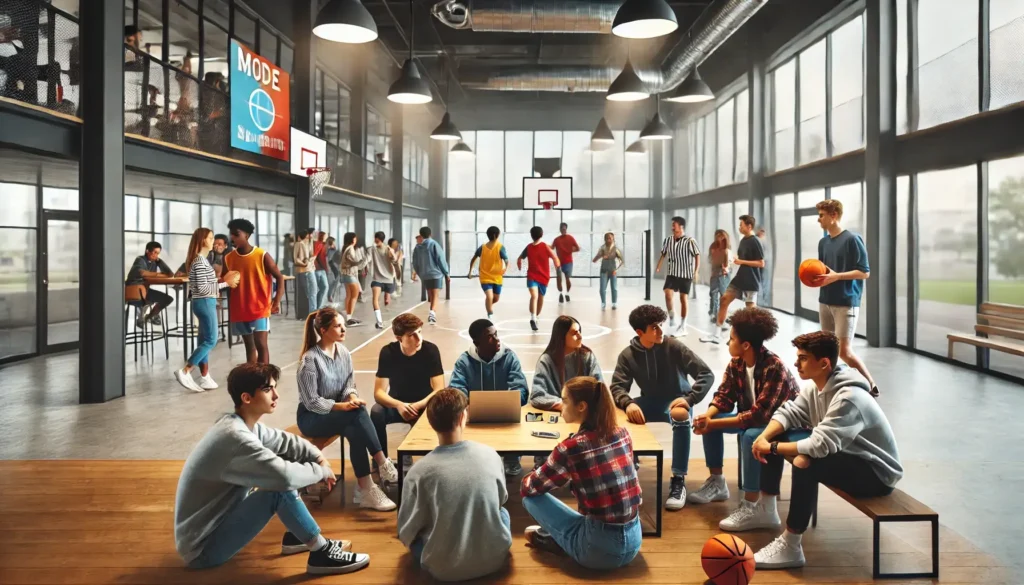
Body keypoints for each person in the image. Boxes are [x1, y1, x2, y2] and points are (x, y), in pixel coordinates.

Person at [174, 362, 370, 575]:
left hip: (213, 528)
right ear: (246, 398)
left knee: (284, 460)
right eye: (268, 390)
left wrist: (318, 458)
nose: (276, 395)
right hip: (202, 548)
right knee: (278, 488)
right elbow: (284, 478)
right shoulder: (236, 438)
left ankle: (298, 535)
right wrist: (321, 472)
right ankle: (321, 553)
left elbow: (286, 441)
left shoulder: (241, 425)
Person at [751, 331, 902, 569]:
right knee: (779, 431)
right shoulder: (817, 385)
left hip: (876, 473)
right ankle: (766, 508)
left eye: (802, 358)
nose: (795, 363)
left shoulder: (849, 398)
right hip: (848, 456)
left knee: (805, 462)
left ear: (824, 363)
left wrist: (771, 447)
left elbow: (819, 445)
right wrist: (764, 437)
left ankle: (791, 545)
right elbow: (790, 412)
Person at [689, 307, 800, 529]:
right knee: (713, 421)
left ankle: (751, 505)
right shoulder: (737, 363)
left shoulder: (774, 367)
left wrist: (713, 423)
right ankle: (718, 483)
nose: (727, 343)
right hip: (755, 419)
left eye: (731, 339)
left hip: (782, 425)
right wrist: (707, 418)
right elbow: (723, 396)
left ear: (746, 345)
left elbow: (759, 417)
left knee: (750, 436)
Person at [521, 376, 642, 570]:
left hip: (597, 550)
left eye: (565, 400)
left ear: (581, 406)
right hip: (634, 542)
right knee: (592, 514)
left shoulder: (570, 448)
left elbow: (530, 488)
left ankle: (563, 543)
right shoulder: (623, 433)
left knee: (529, 499)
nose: (561, 405)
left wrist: (537, 470)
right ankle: (562, 540)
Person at [398, 389, 512, 581]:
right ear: (462, 417)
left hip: (443, 570)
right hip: (494, 561)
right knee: (503, 513)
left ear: (430, 421)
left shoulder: (418, 472)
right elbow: (501, 499)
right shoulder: (491, 455)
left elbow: (406, 531)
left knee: (420, 530)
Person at [610, 304, 714, 510]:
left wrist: (690, 398)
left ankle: (678, 480)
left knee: (680, 416)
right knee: (617, 415)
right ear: (640, 332)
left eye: (660, 326)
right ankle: (630, 464)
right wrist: (628, 402)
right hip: (649, 401)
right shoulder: (628, 355)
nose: (660, 331)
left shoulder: (674, 346)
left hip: (677, 401)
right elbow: (617, 387)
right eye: (654, 327)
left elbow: (706, 374)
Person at [296, 307, 397, 511]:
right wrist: (344, 406)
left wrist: (351, 397)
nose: (344, 330)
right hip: (312, 418)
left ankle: (366, 488)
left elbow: (349, 384)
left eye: (343, 325)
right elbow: (311, 402)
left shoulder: (343, 353)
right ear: (323, 330)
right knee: (356, 414)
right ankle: (381, 464)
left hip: (340, 414)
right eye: (338, 326)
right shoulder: (309, 360)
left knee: (354, 427)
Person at [813, 199, 878, 396]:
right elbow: (824, 271)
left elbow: (864, 272)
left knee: (844, 351)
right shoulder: (823, 243)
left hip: (846, 302)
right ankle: (828, 387)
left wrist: (837, 276)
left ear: (833, 216)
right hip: (825, 301)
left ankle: (871, 385)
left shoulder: (852, 239)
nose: (819, 220)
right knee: (826, 349)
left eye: (822, 215)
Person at [449, 319, 529, 476]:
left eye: (496, 334)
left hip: (506, 417)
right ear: (477, 342)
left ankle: (511, 456)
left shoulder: (509, 357)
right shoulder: (464, 361)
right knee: (458, 418)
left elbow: (521, 389)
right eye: (490, 337)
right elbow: (456, 390)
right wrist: (467, 404)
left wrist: (510, 401)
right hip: (474, 417)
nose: (497, 339)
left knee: (515, 421)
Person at [371, 313, 445, 460]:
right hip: (398, 404)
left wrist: (417, 406)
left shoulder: (430, 350)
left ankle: (435, 458)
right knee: (376, 411)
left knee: (441, 409)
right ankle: (381, 460)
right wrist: (399, 405)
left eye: (419, 332)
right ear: (399, 338)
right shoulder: (388, 352)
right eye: (412, 335)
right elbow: (379, 392)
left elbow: (439, 389)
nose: (419, 339)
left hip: (424, 404)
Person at [173, 228, 239, 393]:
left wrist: (224, 279)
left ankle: (204, 376)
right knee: (211, 340)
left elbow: (206, 283)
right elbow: (203, 288)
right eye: (210, 238)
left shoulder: (200, 261)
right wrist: (226, 283)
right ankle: (186, 370)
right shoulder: (200, 262)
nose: (213, 241)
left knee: (204, 340)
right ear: (202, 240)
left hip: (202, 302)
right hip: (205, 302)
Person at [223, 218, 285, 364]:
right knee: (249, 346)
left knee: (261, 344)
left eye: (236, 234)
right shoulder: (228, 258)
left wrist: (276, 301)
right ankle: (252, 377)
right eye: (231, 234)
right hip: (239, 308)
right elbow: (225, 281)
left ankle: (266, 378)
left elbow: (280, 277)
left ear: (247, 235)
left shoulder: (262, 255)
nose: (232, 237)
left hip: (260, 307)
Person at [702, 215, 764, 345]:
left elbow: (761, 263)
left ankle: (750, 340)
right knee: (724, 300)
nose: (739, 227)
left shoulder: (755, 241)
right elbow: (742, 259)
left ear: (749, 226)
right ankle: (717, 335)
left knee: (750, 312)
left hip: (752, 280)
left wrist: (741, 261)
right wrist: (734, 260)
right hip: (740, 278)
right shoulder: (743, 241)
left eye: (741, 225)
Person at [530, 315, 603, 412]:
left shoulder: (587, 356)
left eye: (580, 332)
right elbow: (537, 395)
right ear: (561, 337)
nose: (580, 336)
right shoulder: (546, 361)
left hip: (585, 415)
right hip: (558, 416)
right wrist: (567, 406)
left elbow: (600, 388)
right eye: (574, 333)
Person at [655, 216, 701, 336]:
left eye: (674, 225)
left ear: (681, 227)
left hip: (685, 274)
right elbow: (663, 254)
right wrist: (658, 266)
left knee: (683, 298)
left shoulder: (690, 241)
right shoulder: (668, 240)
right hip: (672, 273)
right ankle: (672, 317)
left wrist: (696, 271)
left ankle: (683, 326)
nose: (672, 227)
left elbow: (697, 255)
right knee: (667, 293)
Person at [516, 226, 561, 332]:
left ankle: (535, 316)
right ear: (542, 234)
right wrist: (558, 271)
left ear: (531, 235)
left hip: (543, 277)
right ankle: (533, 318)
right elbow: (555, 259)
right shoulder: (540, 247)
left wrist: (519, 265)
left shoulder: (537, 247)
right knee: (534, 296)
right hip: (532, 276)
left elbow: (520, 258)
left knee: (540, 297)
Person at [125, 241, 175, 329]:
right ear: (147, 251)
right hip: (135, 291)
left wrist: (159, 261)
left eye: (158, 253)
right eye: (155, 252)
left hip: (145, 291)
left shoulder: (154, 262)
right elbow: (142, 273)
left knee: (167, 299)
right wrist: (160, 275)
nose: (156, 255)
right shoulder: (140, 259)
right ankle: (143, 316)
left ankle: (148, 317)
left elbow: (170, 274)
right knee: (150, 300)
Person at [468, 226, 508, 321]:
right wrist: (470, 272)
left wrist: (505, 269)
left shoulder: (500, 247)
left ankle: (488, 305)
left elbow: (506, 261)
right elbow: (473, 259)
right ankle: (490, 315)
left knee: (496, 298)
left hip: (497, 277)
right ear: (496, 235)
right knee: (489, 296)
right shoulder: (482, 248)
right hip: (485, 277)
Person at [411, 227, 449, 324]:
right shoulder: (434, 244)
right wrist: (446, 273)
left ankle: (432, 312)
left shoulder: (417, 247)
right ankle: (432, 315)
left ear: (421, 235)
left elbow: (415, 263)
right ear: (430, 234)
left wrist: (420, 273)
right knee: (435, 295)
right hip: (436, 274)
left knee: (431, 295)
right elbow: (441, 259)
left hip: (425, 275)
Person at [339, 232, 370, 326]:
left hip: (346, 275)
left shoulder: (346, 248)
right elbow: (353, 262)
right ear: (352, 239)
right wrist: (365, 260)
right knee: (354, 295)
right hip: (350, 275)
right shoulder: (350, 249)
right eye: (355, 238)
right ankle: (349, 318)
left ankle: (348, 317)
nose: (356, 240)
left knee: (349, 295)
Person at [368, 231, 398, 330]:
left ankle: (380, 321)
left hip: (385, 278)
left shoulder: (381, 249)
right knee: (379, 299)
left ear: (376, 238)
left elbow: (394, 260)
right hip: (383, 278)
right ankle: (379, 322)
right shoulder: (381, 249)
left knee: (379, 300)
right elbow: (394, 261)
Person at [592, 231, 624, 310]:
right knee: (602, 288)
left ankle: (614, 303)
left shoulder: (616, 249)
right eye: (607, 238)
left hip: (613, 271)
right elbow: (594, 260)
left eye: (610, 238)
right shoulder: (602, 248)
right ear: (604, 239)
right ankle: (603, 303)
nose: (608, 239)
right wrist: (601, 256)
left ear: (613, 239)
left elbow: (622, 261)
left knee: (614, 288)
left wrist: (616, 270)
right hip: (604, 271)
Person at [552, 223, 580, 304]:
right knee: (559, 279)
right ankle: (560, 293)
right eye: (562, 229)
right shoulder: (556, 240)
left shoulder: (570, 238)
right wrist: (544, 246)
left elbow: (577, 248)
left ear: (566, 229)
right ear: (560, 229)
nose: (563, 230)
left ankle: (567, 293)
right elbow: (552, 247)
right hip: (559, 262)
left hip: (568, 262)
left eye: (564, 229)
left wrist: (570, 250)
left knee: (567, 278)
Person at [708, 229, 732, 321]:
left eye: (721, 235)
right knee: (713, 293)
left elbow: (727, 263)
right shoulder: (713, 247)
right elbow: (711, 260)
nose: (719, 237)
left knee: (723, 295)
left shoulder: (727, 249)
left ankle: (722, 315)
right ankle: (714, 313)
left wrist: (725, 268)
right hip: (716, 272)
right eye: (717, 235)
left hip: (724, 273)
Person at [293, 229, 317, 319]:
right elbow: (296, 259)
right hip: (306, 270)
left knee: (312, 293)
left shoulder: (308, 244)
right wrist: (305, 263)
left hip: (310, 269)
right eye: (312, 234)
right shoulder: (299, 244)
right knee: (312, 292)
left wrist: (311, 258)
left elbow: (309, 256)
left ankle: (313, 313)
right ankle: (313, 315)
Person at [313, 232, 330, 309]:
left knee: (324, 287)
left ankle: (318, 307)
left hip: (320, 269)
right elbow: (317, 257)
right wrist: (325, 268)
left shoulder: (322, 245)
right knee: (322, 288)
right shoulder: (318, 244)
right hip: (318, 269)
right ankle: (317, 307)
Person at [757, 227, 773, 307]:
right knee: (765, 282)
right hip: (766, 263)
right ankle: (765, 301)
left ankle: (760, 301)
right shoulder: (766, 240)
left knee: (760, 281)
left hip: (760, 262)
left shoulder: (759, 240)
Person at [325, 236, 341, 304]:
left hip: (335, 267)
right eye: (332, 243)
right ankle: (330, 296)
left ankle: (331, 296)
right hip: (330, 267)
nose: (334, 245)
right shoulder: (327, 250)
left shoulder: (334, 250)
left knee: (335, 282)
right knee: (331, 283)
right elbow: (327, 259)